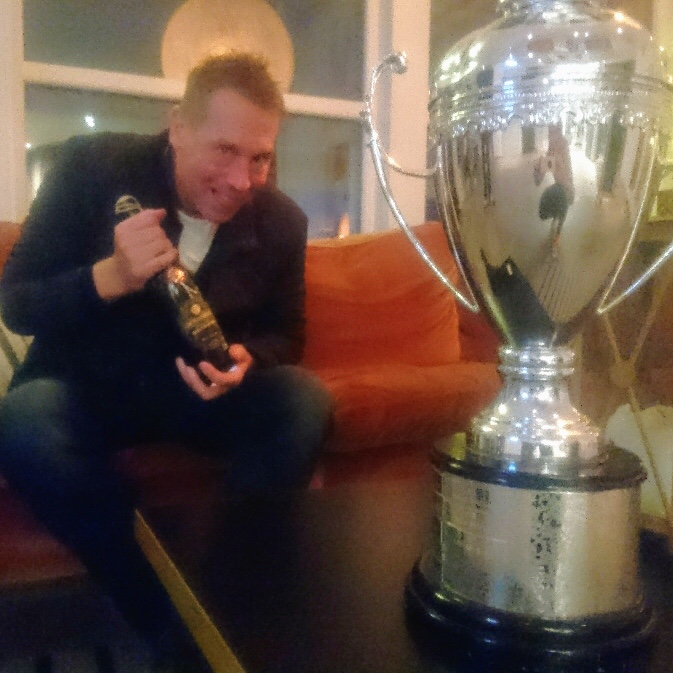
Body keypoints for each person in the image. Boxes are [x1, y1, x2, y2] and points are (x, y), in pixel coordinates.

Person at [0, 53, 334, 671]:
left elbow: (288, 336)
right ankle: (166, 621)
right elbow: (17, 303)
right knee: (23, 420)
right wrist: (111, 275)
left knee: (304, 398)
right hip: (87, 387)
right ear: (178, 126)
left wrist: (248, 359)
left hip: (196, 394)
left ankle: (222, 598)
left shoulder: (283, 221)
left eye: (259, 158)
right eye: (225, 150)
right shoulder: (90, 168)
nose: (242, 180)